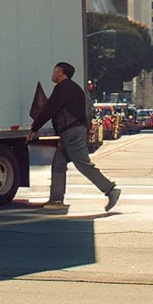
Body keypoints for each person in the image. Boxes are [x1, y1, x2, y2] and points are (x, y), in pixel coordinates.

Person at [27, 62, 120, 212]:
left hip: (71, 132)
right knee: (58, 165)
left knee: (82, 164)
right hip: (69, 132)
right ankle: (56, 200)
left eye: (55, 71)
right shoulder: (74, 89)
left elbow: (49, 108)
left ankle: (110, 190)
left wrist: (34, 128)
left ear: (61, 73)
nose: (53, 74)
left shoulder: (63, 88)